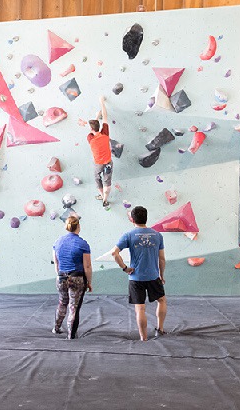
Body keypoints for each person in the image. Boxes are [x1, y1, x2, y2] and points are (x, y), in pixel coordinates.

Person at [110, 206, 167, 341]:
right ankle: (160, 329)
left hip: (135, 277)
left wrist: (125, 268)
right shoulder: (158, 235)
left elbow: (114, 253)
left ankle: (144, 338)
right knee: (162, 301)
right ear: (146, 218)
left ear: (132, 219)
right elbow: (162, 259)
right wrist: (161, 275)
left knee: (140, 308)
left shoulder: (129, 235)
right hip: (153, 276)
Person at [52, 215, 93, 339]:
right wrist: (89, 282)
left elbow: (56, 263)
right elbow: (87, 266)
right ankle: (71, 335)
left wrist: (59, 276)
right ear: (78, 226)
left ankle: (56, 328)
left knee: (62, 303)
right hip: (77, 278)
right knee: (73, 307)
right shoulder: (82, 244)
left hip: (61, 277)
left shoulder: (58, 242)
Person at [87, 96, 113, 207]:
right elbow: (105, 117)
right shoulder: (105, 134)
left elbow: (93, 128)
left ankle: (102, 196)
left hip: (98, 164)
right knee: (108, 181)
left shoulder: (90, 138)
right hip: (108, 162)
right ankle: (105, 200)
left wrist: (96, 116)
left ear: (91, 129)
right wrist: (102, 102)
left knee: (98, 179)